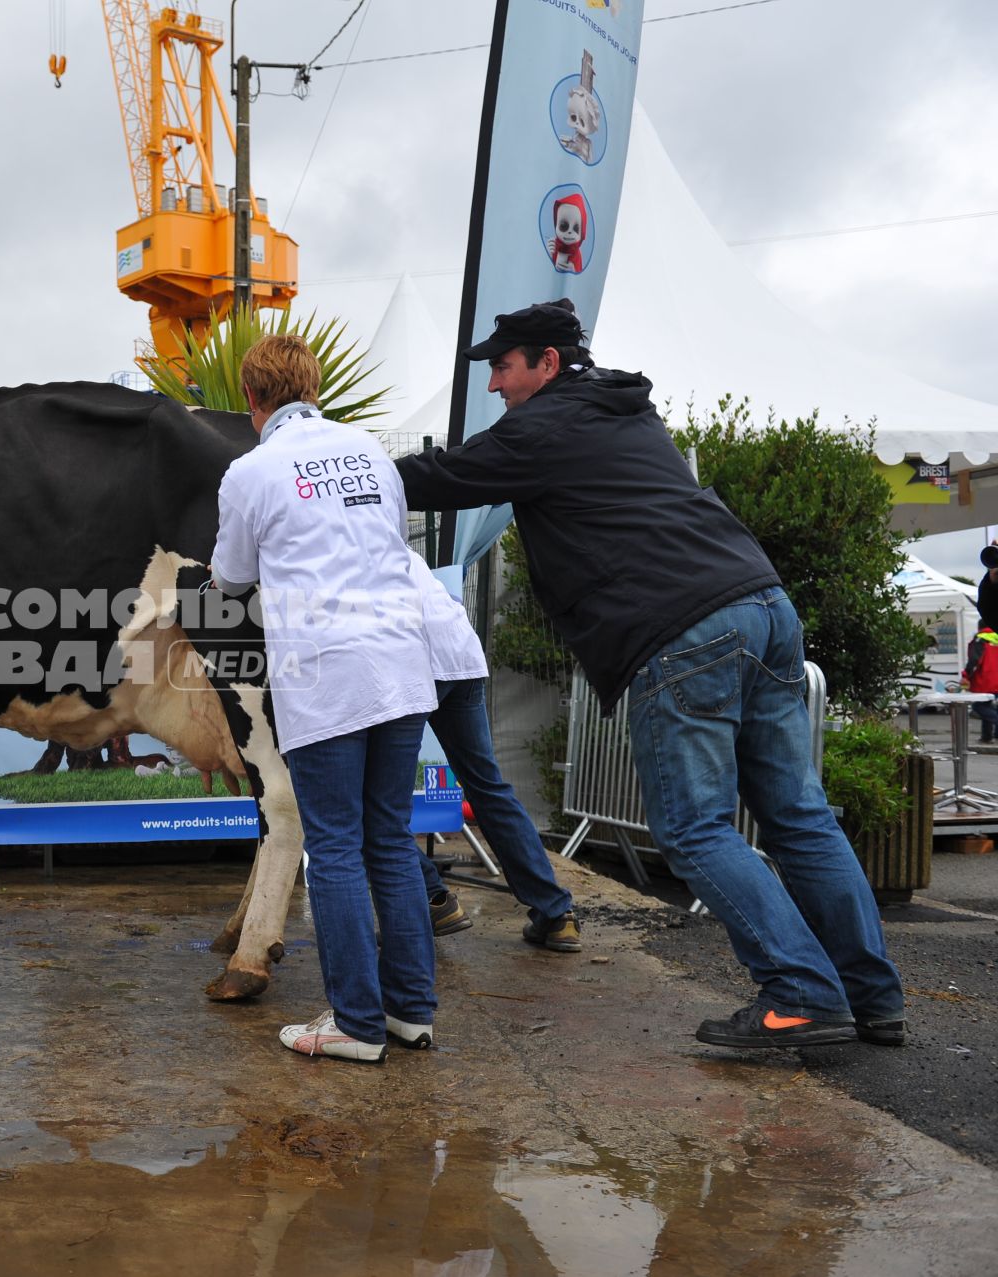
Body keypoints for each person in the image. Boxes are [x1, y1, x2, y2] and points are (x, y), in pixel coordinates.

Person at [397, 298, 905, 1050]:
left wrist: (345, 474)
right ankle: (874, 997)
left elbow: (443, 477)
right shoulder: (625, 411)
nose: (496, 385)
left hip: (686, 628)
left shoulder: (543, 427)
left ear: (546, 363)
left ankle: (799, 992)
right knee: (799, 814)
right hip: (763, 604)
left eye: (504, 367)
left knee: (693, 827)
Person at [212, 334, 438, 1063]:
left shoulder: (251, 471)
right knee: (390, 841)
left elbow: (232, 577)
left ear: (252, 399)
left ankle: (356, 1023)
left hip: (326, 675)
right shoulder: (372, 452)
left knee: (334, 848)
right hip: (402, 668)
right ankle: (409, 1013)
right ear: (313, 386)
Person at [409, 558, 580, 951]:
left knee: (378, 805)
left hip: (416, 663)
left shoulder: (340, 546)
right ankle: (557, 915)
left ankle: (434, 901)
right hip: (460, 655)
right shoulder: (396, 542)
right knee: (489, 788)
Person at [963, 621, 998, 744]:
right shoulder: (995, 638)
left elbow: (974, 660)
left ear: (979, 627)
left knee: (979, 706)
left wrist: (965, 675)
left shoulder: (980, 640)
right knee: (988, 705)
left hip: (985, 680)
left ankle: (989, 733)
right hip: (996, 679)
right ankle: (987, 736)